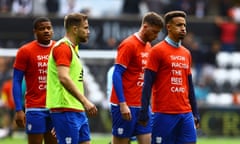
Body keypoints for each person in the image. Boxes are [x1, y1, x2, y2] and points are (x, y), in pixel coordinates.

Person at [138, 10, 200, 144]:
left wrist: (195, 112)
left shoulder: (186, 53)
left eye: (184, 25)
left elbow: (189, 85)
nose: (183, 28)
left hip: (185, 113)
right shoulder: (157, 51)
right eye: (178, 25)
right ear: (169, 27)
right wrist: (144, 111)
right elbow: (147, 83)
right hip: (163, 114)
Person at [110, 11, 164, 144]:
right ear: (145, 27)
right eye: (154, 32)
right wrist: (122, 104)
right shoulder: (129, 44)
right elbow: (116, 74)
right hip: (125, 104)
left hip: (142, 106)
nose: (156, 36)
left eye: (158, 33)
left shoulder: (148, 46)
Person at [46, 12, 98, 144]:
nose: (89, 31)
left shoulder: (74, 48)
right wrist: (85, 101)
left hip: (76, 109)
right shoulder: (63, 47)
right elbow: (63, 78)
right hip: (65, 109)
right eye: (85, 28)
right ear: (75, 29)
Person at [12, 17, 57, 144]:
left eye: (49, 28)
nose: (46, 31)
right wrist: (19, 109)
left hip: (55, 107)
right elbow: (16, 80)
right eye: (42, 28)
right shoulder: (25, 51)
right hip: (35, 108)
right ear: (35, 32)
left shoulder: (59, 48)